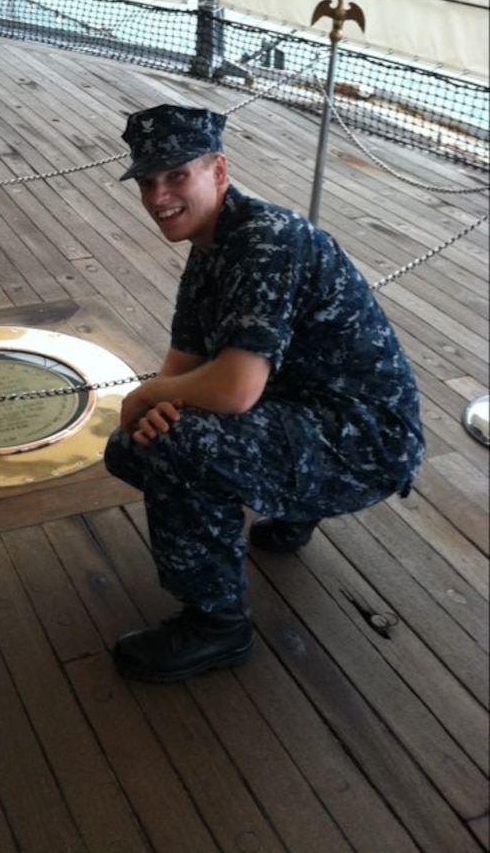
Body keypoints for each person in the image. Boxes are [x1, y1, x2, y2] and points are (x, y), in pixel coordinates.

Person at [104, 104, 425, 683]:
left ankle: (216, 625)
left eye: (177, 175)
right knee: (132, 446)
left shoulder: (264, 242)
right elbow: (185, 365)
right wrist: (155, 402)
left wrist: (151, 399)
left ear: (218, 170)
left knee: (174, 443)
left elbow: (232, 388)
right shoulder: (209, 250)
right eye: (148, 182)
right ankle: (296, 506)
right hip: (308, 411)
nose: (158, 197)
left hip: (368, 440)